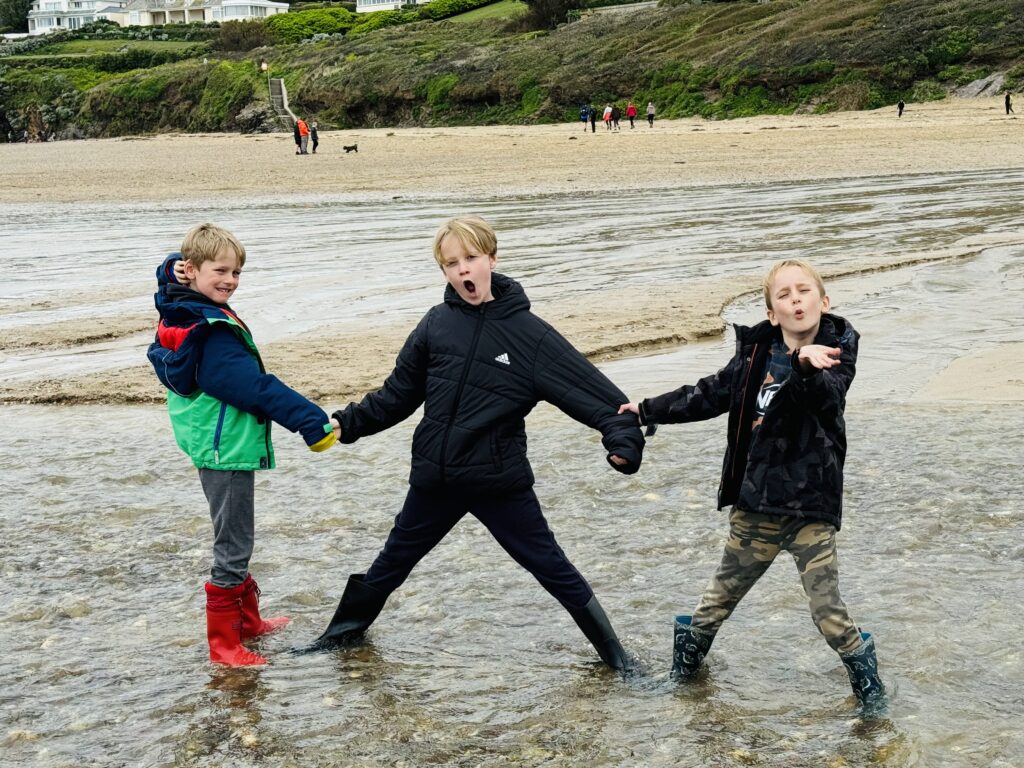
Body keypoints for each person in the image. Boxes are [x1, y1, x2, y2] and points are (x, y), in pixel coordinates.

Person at [298, 216, 646, 671]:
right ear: (444, 271)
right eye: (451, 263)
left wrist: (623, 443)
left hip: (497, 483)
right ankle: (337, 639)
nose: (463, 270)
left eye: (471, 259)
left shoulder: (530, 336)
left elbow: (602, 400)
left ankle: (620, 661)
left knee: (553, 569)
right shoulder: (436, 324)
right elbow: (397, 394)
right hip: (435, 479)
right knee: (391, 563)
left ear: (492, 260)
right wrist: (349, 424)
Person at [619, 259, 885, 712]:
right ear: (771, 313)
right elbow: (708, 394)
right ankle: (681, 679)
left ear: (824, 302)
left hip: (809, 512)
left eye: (804, 291)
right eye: (784, 295)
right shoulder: (754, 356)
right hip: (755, 505)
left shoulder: (837, 352)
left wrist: (806, 367)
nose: (795, 299)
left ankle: (871, 697)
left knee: (830, 615)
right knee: (716, 602)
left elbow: (825, 398)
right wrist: (646, 410)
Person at [147, 223, 337, 667]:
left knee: (237, 535)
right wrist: (311, 422)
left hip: (212, 443)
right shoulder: (210, 332)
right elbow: (255, 387)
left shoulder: (180, 306)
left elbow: (164, 286)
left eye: (236, 273)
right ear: (191, 271)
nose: (230, 281)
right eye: (221, 271)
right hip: (225, 448)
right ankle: (224, 646)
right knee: (232, 544)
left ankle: (248, 623)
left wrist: (167, 268)